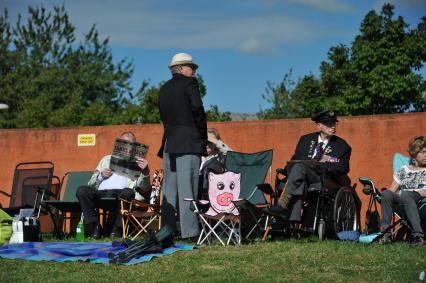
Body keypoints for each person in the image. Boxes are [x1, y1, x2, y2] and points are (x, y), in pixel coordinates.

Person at [264, 110, 351, 223]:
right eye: (329, 124)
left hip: (323, 178)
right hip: (301, 177)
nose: (333, 127)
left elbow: (344, 167)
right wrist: (288, 169)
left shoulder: (342, 145)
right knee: (300, 180)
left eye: (334, 123)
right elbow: (295, 159)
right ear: (319, 125)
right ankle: (294, 221)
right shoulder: (305, 140)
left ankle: (282, 206)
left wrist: (326, 162)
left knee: (299, 168)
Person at [157, 52, 207, 240]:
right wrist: (202, 137)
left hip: (170, 142)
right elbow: (197, 110)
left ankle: (167, 232)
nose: (194, 71)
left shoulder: (164, 89)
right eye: (191, 67)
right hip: (188, 141)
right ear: (181, 68)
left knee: (169, 191)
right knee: (188, 189)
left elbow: (163, 116)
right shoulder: (189, 83)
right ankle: (190, 232)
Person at [76, 131, 150, 239]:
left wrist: (145, 172)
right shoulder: (106, 159)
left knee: (128, 192)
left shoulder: (139, 163)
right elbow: (91, 183)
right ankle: (95, 226)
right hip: (101, 193)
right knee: (82, 190)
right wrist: (101, 176)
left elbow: (144, 187)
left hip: (122, 194)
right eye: (123, 143)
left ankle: (117, 228)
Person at [379, 136, 426, 245]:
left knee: (407, 195)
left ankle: (418, 235)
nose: (425, 155)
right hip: (403, 198)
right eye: (423, 152)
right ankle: (386, 233)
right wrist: (392, 194)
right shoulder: (403, 170)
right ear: (414, 153)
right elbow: (392, 190)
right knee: (386, 193)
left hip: (420, 197)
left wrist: (421, 192)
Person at [198, 129, 230, 198]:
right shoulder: (196, 156)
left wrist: (216, 142)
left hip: (213, 195)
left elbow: (233, 155)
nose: (207, 144)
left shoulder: (220, 157)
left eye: (210, 142)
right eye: (205, 141)